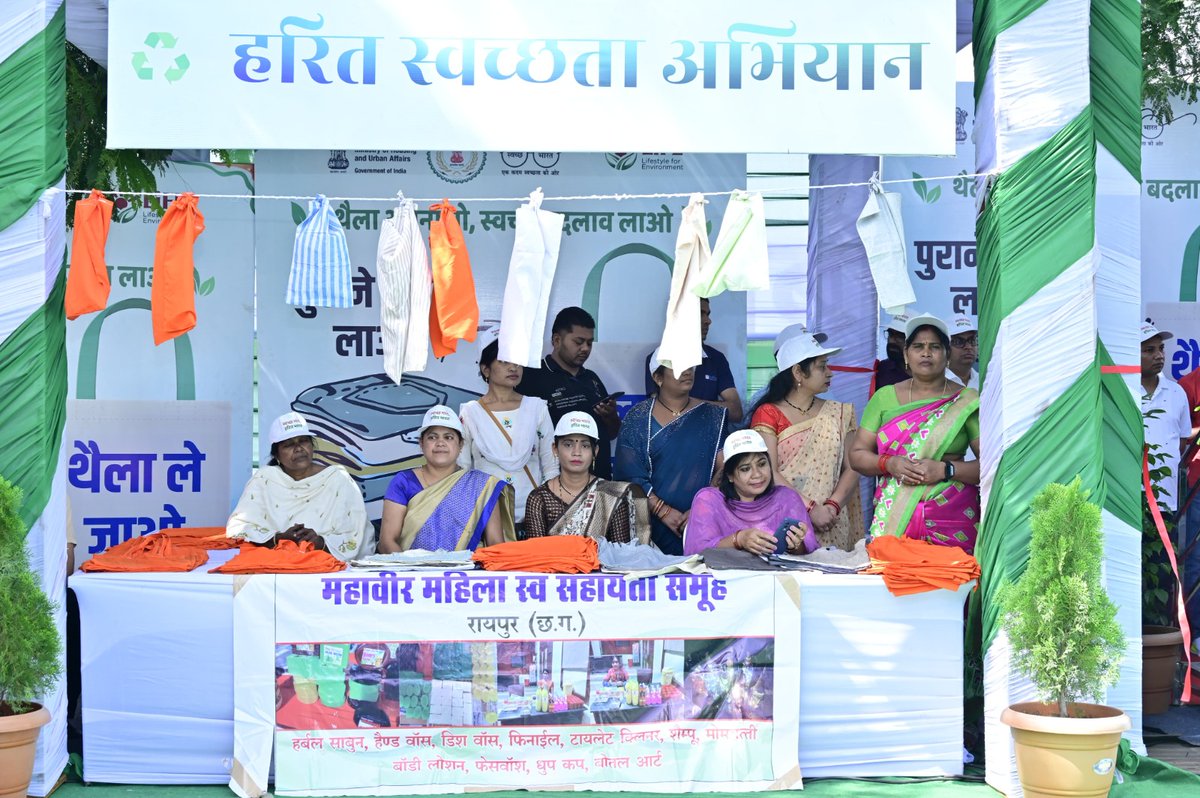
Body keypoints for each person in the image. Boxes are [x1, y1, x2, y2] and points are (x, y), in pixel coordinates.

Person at [848, 314, 982, 551]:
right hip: (895, 516)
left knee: (954, 586)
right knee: (894, 584)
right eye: (918, 346)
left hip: (953, 515)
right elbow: (857, 455)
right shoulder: (884, 398)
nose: (926, 353)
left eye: (935, 347)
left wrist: (946, 469)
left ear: (947, 354)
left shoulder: (966, 401)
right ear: (907, 354)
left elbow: (991, 464)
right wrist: (888, 464)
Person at [749, 333, 864, 550]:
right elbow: (768, 472)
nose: (830, 372)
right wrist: (811, 508)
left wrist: (832, 506)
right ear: (798, 372)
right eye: (822, 367)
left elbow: (853, 466)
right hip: (785, 519)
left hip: (833, 521)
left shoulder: (838, 413)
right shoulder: (769, 413)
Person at [615, 349, 728, 554]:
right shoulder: (638, 417)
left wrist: (700, 509)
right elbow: (629, 476)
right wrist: (662, 511)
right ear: (658, 377)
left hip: (703, 522)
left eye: (690, 365)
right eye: (677, 366)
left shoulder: (713, 415)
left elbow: (726, 468)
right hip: (649, 527)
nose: (687, 371)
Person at [227, 412, 372, 560]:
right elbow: (240, 526)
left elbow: (353, 530)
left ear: (312, 446)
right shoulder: (264, 479)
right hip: (276, 562)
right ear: (276, 455)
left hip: (329, 563)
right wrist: (279, 538)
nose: (298, 448)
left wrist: (321, 542)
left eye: (303, 441)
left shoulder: (337, 479)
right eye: (289, 445)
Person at [378, 406, 514, 552]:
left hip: (468, 572)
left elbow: (495, 543)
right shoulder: (403, 482)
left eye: (448, 437)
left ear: (460, 444)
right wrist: (414, 570)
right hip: (412, 571)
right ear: (421, 444)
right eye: (432, 437)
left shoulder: (482, 486)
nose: (440, 443)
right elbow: (387, 541)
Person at [459, 339, 557, 526]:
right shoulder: (471, 413)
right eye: (504, 361)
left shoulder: (536, 408)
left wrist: (550, 509)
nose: (514, 367)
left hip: (534, 514)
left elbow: (551, 465)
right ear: (485, 369)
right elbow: (463, 468)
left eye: (518, 362)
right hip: (488, 514)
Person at [518, 307, 620, 479]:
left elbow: (612, 433)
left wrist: (610, 416)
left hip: (600, 484)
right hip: (555, 485)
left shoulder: (592, 378)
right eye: (578, 342)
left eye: (589, 343)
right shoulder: (531, 378)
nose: (585, 348)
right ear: (557, 340)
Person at [683, 430, 819, 556]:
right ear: (730, 475)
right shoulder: (709, 500)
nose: (757, 474)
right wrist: (739, 539)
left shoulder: (786, 498)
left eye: (761, 464)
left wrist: (795, 546)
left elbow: (808, 553)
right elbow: (697, 553)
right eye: (745, 469)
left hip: (777, 580)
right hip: (728, 580)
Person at [524, 412, 648, 543]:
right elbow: (536, 556)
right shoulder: (539, 498)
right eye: (568, 444)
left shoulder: (611, 496)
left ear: (595, 451)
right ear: (555, 449)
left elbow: (619, 555)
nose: (576, 452)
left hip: (602, 564)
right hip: (551, 564)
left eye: (585, 445)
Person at [643, 298, 743, 423]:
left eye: (708, 314)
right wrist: (706, 408)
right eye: (700, 314)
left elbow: (735, 412)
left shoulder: (716, 358)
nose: (708, 321)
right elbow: (661, 412)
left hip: (712, 439)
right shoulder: (658, 359)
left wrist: (687, 404)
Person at [1140, 319, 1190, 512]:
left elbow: (1181, 441)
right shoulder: (1125, 392)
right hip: (1129, 497)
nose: (1159, 355)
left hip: (1166, 499)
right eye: (1149, 350)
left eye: (1161, 349)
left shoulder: (1177, 392)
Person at [872, 312, 911, 394]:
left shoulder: (929, 373)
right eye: (891, 334)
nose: (892, 340)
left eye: (900, 336)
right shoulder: (881, 370)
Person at [948, 315, 980, 390]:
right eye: (959, 341)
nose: (968, 347)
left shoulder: (984, 381)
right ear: (946, 348)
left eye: (972, 340)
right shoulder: (936, 382)